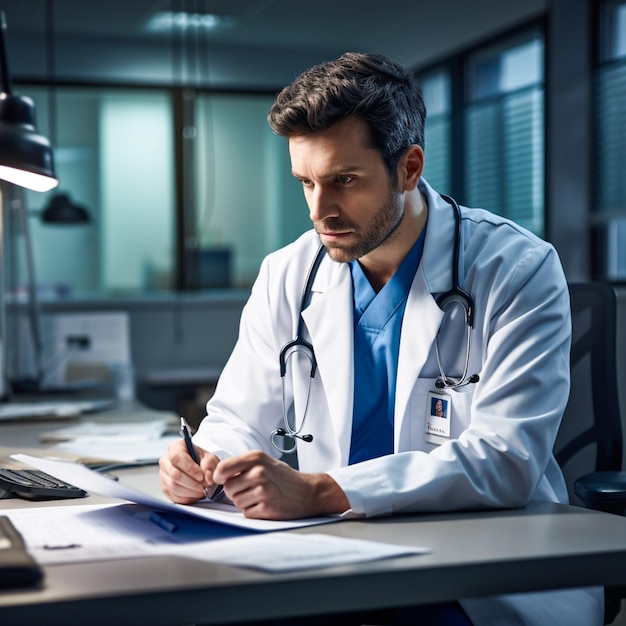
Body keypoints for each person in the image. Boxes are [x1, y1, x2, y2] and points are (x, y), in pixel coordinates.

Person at [159, 52, 603, 625]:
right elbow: (238, 417)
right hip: (336, 554)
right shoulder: (288, 273)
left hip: (478, 561)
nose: (321, 211)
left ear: (409, 167)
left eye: (344, 180)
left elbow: (506, 460)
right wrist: (204, 459)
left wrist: (322, 491)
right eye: (306, 183)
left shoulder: (515, 268)